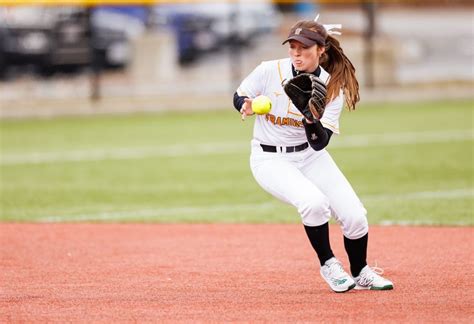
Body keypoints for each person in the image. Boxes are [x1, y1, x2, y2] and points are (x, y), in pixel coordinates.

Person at [232, 17, 393, 293]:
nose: (296, 53)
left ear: (320, 50)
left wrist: (309, 117)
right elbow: (239, 95)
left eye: (304, 47)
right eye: (292, 46)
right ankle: (329, 263)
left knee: (355, 216)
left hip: (310, 156)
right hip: (270, 159)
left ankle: (361, 272)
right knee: (314, 203)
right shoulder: (269, 71)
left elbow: (320, 144)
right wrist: (245, 104)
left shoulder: (331, 88)